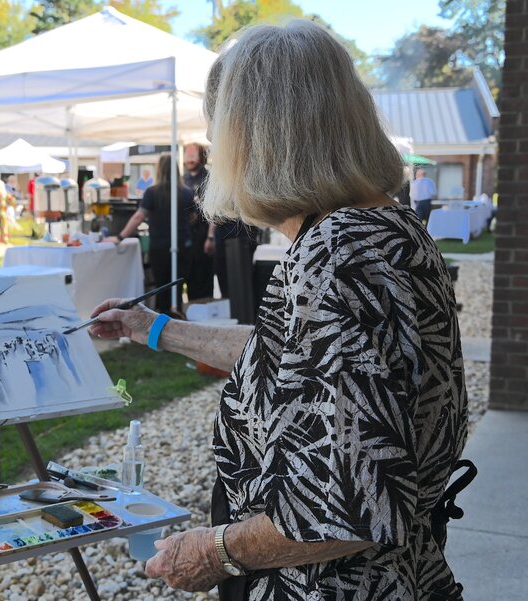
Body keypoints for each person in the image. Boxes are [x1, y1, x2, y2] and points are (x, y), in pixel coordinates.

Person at [90, 21, 468, 600]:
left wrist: (216, 551)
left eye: (221, 139)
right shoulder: (385, 229)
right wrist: (155, 329)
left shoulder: (337, 254)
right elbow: (296, 360)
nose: (217, 159)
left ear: (260, 140)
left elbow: (352, 499)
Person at [108, 154, 194, 314]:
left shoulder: (152, 192)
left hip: (159, 246)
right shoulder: (187, 193)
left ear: (159, 170)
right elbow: (192, 217)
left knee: (162, 287)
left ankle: (163, 321)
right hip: (183, 245)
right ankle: (178, 316)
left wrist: (120, 237)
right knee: (178, 286)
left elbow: (139, 216)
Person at [183, 143, 214, 301]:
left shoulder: (209, 178)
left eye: (193, 155)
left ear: (201, 157)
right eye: (187, 155)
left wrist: (210, 237)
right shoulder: (183, 179)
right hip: (188, 238)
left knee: (204, 277)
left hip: (204, 236)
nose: (189, 159)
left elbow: (215, 210)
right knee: (190, 276)